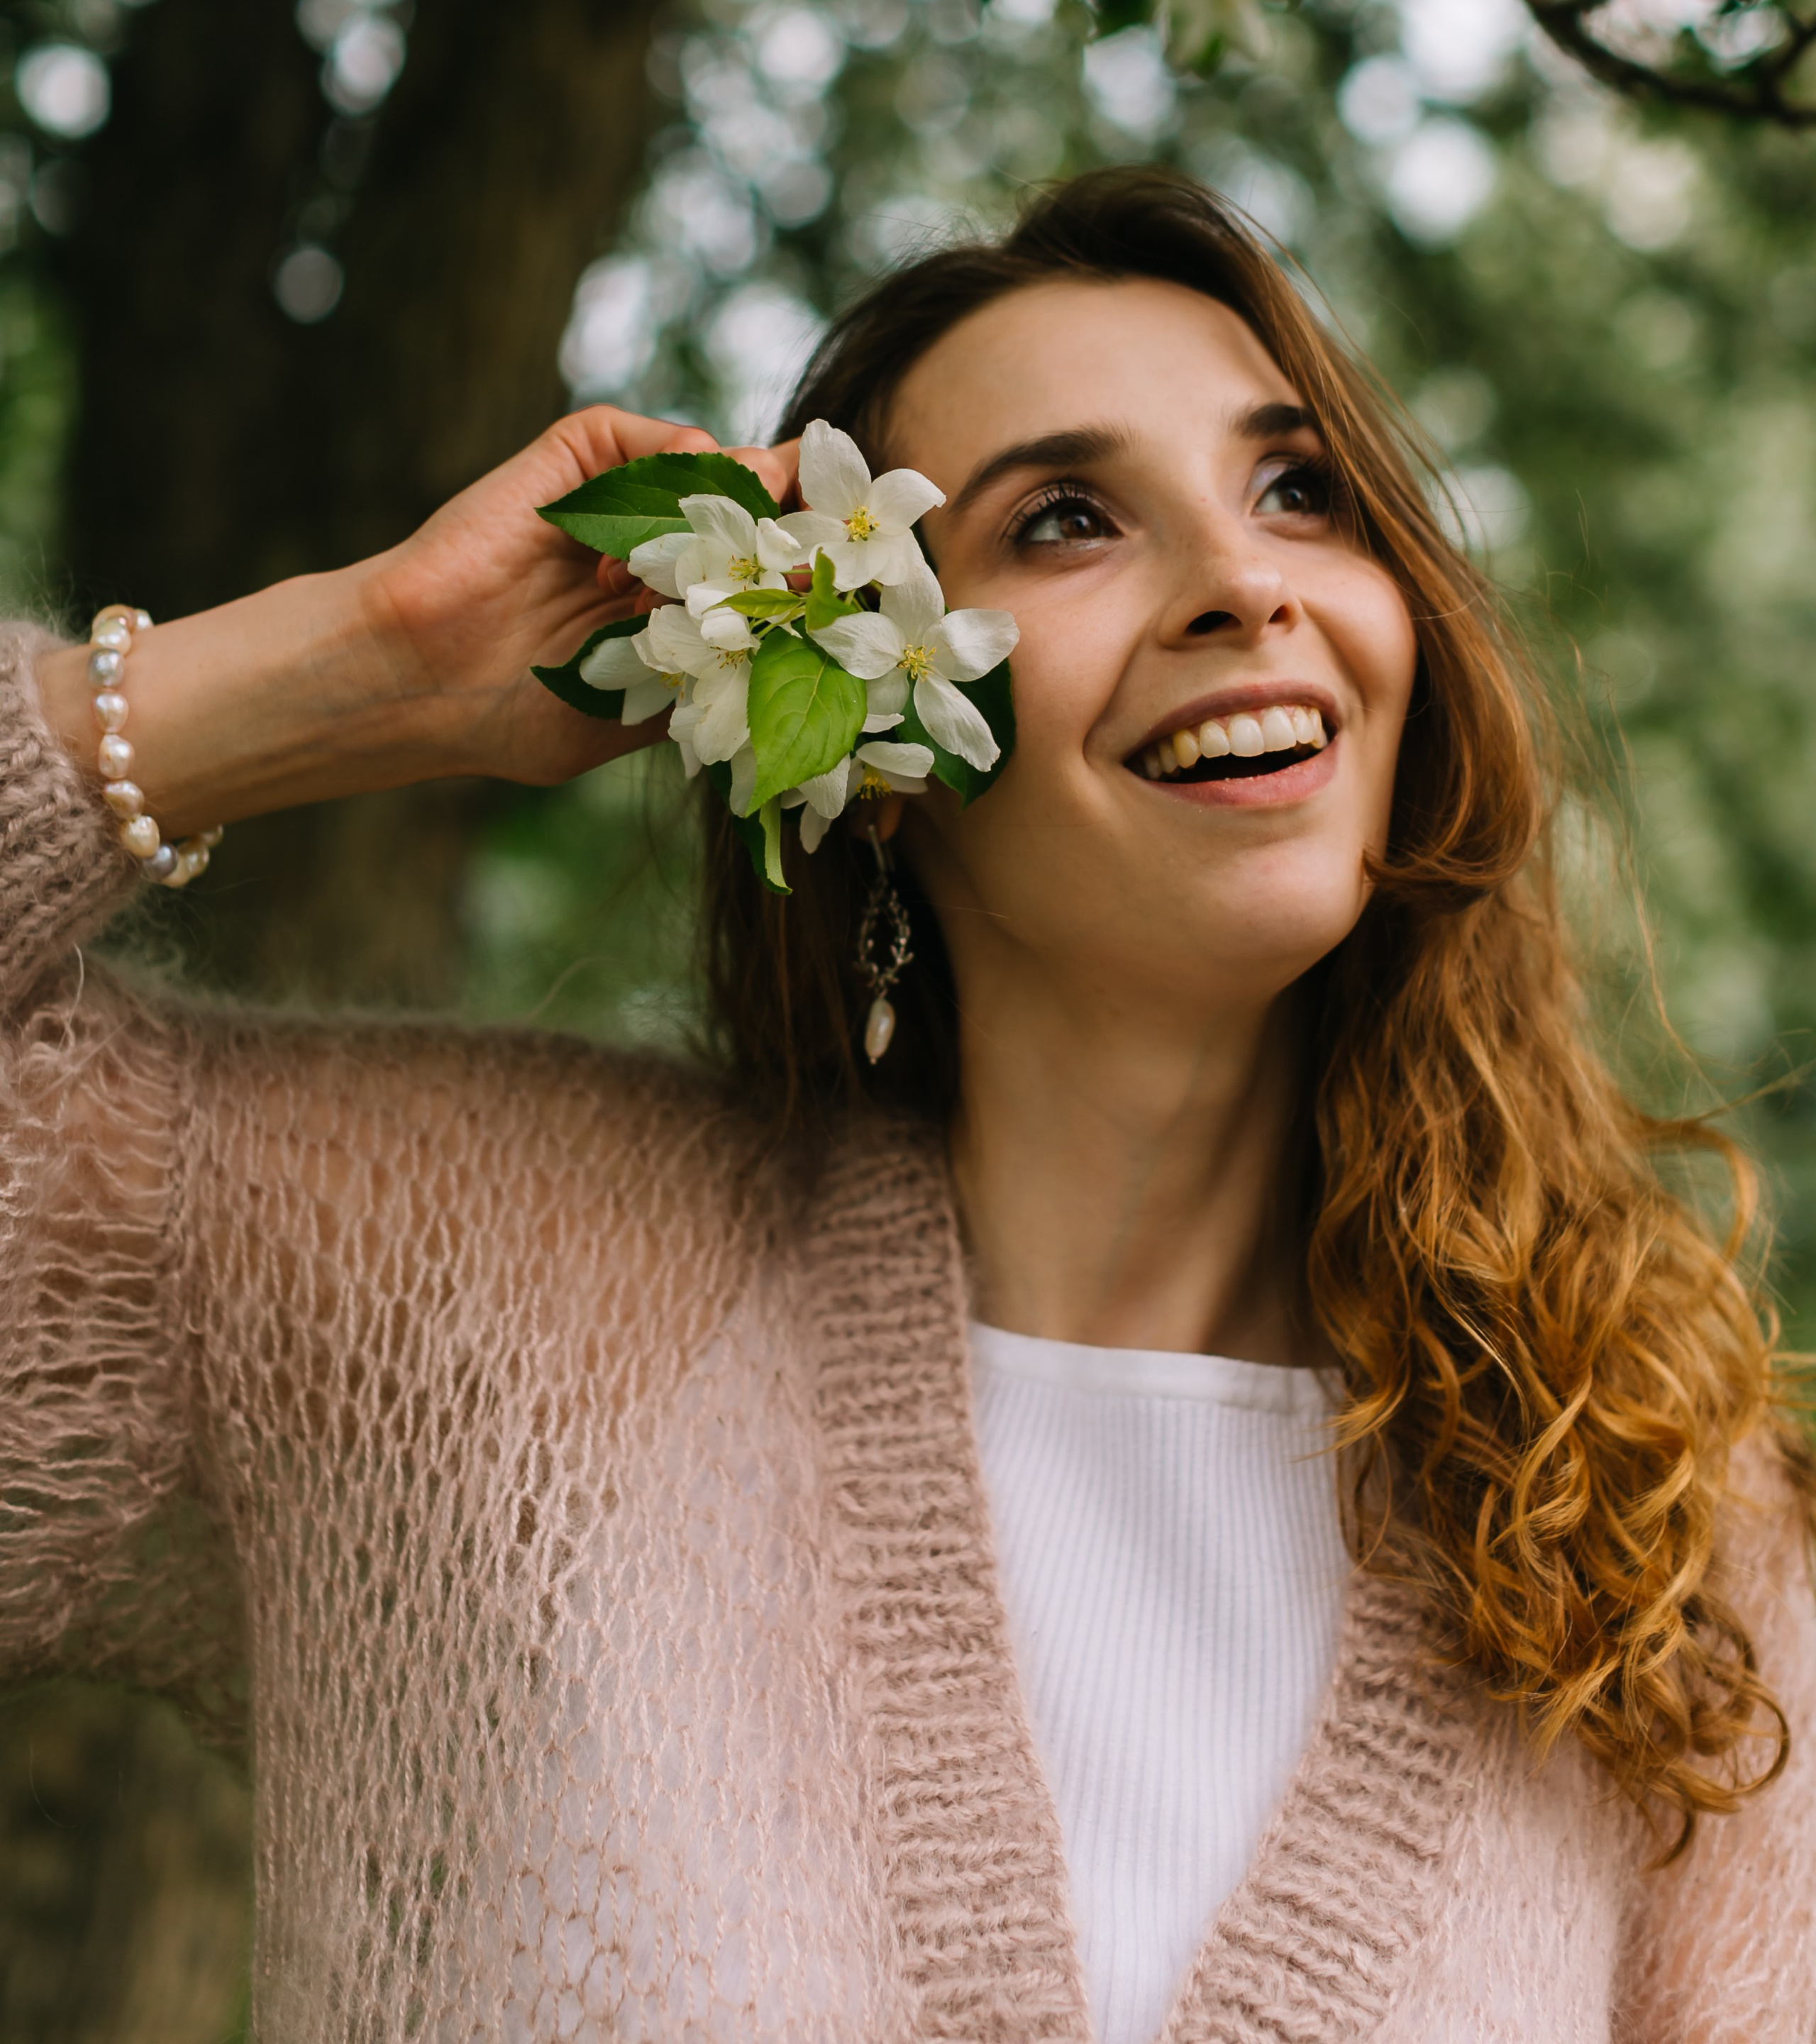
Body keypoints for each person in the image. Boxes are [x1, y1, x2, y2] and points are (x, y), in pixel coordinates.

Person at [3, 165, 1811, 2043]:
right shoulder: (461, 1299)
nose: (1247, 582)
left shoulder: (1678, 1551)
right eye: (1069, 520)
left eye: (1299, 489)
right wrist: (349, 676)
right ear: (867, 747)